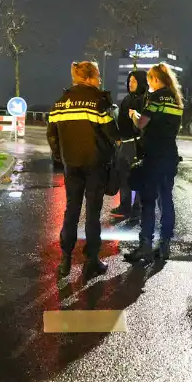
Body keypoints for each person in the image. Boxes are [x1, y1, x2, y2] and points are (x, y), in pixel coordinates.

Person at [47, 61, 121, 277]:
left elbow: (51, 134)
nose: (99, 80)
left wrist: (61, 156)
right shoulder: (98, 101)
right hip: (95, 166)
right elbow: (113, 135)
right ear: (89, 77)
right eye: (97, 76)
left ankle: (65, 260)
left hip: (72, 165)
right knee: (92, 214)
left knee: (71, 211)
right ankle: (92, 260)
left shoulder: (61, 102)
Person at [123, 63, 184, 264]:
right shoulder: (176, 99)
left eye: (149, 80)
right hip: (170, 156)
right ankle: (164, 246)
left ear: (155, 80)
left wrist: (133, 115)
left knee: (148, 202)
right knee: (166, 201)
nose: (148, 84)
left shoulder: (155, 97)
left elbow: (142, 124)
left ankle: (145, 246)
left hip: (153, 155)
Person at [111, 70, 148, 219]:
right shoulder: (126, 99)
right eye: (129, 81)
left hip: (136, 144)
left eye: (134, 81)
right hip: (124, 143)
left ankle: (137, 207)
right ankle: (125, 206)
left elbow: (143, 125)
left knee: (137, 176)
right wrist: (118, 137)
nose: (130, 83)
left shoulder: (144, 100)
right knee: (123, 176)